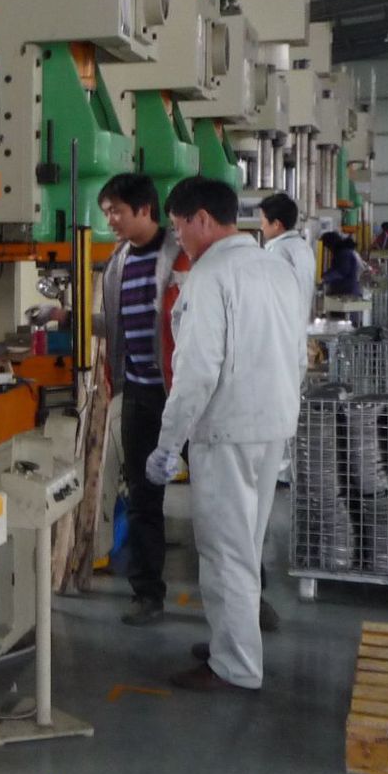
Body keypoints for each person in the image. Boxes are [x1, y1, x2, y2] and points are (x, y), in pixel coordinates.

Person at [144, 177, 304, 692]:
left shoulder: (210, 276)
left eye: (178, 228)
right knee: (247, 545)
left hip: (227, 429)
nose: (178, 239)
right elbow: (298, 352)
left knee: (224, 552)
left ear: (202, 219)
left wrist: (168, 444)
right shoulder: (275, 268)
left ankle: (234, 665)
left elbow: (195, 372)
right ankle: (232, 642)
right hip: (272, 424)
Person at [97, 172, 183, 628]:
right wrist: (67, 316)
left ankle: (250, 596)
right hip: (139, 394)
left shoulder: (181, 255)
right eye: (107, 212)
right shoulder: (118, 262)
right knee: (143, 497)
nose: (110, 220)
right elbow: (116, 323)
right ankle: (147, 594)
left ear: (145, 209)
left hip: (185, 396)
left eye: (116, 211)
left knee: (218, 501)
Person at [259, 193, 314, 330]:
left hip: (281, 329)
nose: (261, 227)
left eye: (263, 222)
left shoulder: (278, 251)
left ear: (276, 224)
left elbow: (270, 297)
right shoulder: (303, 247)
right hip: (298, 327)